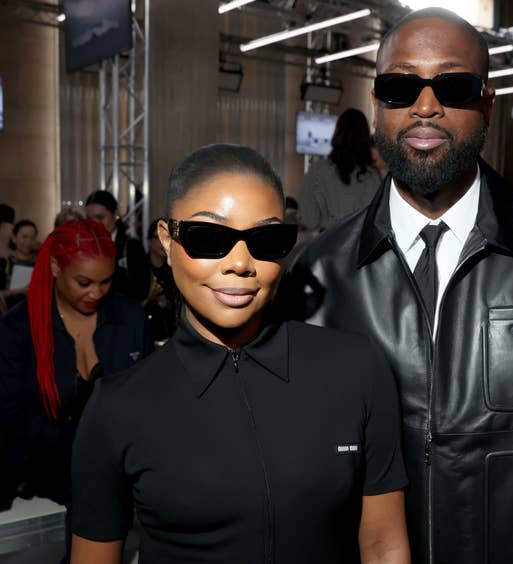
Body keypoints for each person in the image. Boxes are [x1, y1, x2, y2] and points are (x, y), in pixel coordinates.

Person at [279, 8, 513, 564]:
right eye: (400, 85)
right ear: (378, 104)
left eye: (453, 86)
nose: (425, 105)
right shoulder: (319, 274)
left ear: (487, 103)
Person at [70, 144, 409, 564]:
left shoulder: (355, 369)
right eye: (209, 238)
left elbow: (383, 545)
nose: (240, 263)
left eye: (266, 240)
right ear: (167, 240)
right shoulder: (118, 407)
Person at [0, 218, 153, 562]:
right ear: (55, 267)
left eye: (105, 281)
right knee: (91, 483)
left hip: (119, 455)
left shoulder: (128, 318)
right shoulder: (16, 330)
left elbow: (148, 395)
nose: (96, 293)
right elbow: (9, 420)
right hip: (40, 460)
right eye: (84, 282)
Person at [298, 108, 382, 233]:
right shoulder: (373, 177)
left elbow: (309, 219)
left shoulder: (317, 171)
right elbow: (378, 221)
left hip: (327, 244)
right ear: (365, 136)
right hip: (360, 247)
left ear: (337, 132)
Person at [85, 190, 150, 301]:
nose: (95, 224)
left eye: (100, 218)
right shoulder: (85, 247)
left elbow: (141, 289)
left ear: (115, 215)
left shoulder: (132, 247)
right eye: (90, 219)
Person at [143, 218, 177, 344]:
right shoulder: (140, 270)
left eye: (169, 238)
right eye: (158, 238)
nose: (163, 242)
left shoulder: (175, 270)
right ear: (149, 241)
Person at [0, 219, 39, 311]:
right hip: (8, 316)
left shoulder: (39, 264)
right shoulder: (4, 263)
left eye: (32, 238)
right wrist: (21, 291)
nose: (28, 242)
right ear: (14, 238)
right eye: (24, 237)